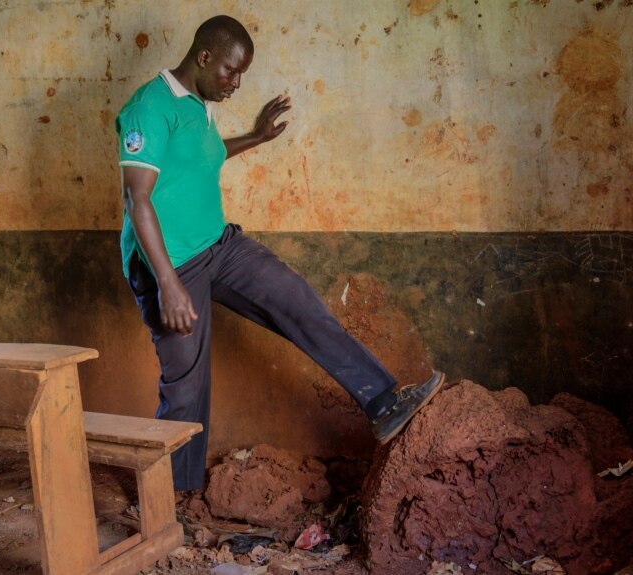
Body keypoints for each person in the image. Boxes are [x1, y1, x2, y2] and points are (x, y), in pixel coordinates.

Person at [115, 15, 445, 492]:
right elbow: (137, 198)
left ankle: (382, 401)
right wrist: (167, 283)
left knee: (296, 300)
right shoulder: (150, 106)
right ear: (203, 57)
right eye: (231, 71)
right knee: (186, 388)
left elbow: (200, 156)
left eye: (242, 73)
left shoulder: (200, 105)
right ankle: (173, 499)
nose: (236, 83)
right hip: (168, 265)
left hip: (220, 247)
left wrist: (257, 138)